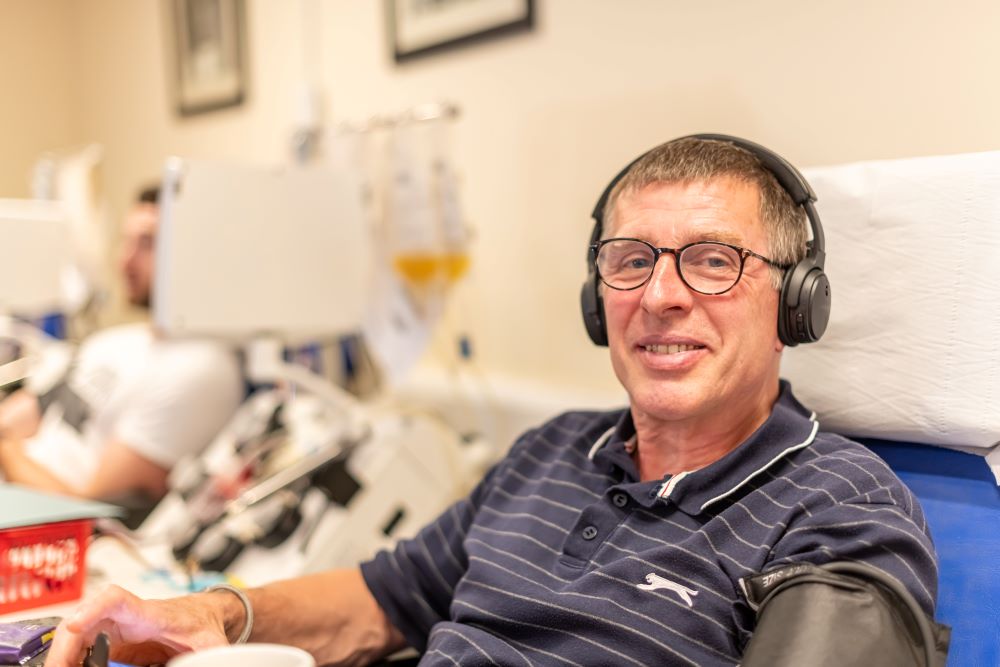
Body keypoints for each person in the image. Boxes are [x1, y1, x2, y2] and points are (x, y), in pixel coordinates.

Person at [44, 137, 938, 666]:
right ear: (599, 299)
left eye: (712, 259)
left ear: (792, 303)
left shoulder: (839, 507)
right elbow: (382, 598)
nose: (661, 295)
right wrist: (215, 612)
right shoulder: (551, 454)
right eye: (631, 260)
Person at [0, 186, 243, 503]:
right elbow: (29, 411)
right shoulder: (112, 343)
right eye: (126, 241)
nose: (125, 260)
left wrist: (7, 451)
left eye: (147, 244)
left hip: (44, 528)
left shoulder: (201, 369)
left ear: (192, 254)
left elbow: (86, 507)